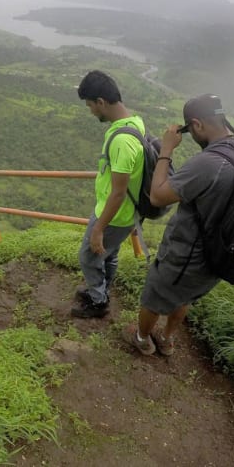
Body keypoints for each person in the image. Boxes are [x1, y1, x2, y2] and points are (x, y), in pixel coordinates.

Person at [122, 94, 234, 356]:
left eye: (190, 129)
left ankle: (142, 339)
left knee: (155, 296)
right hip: (221, 251)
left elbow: (158, 195)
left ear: (197, 124)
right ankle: (168, 339)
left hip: (186, 253)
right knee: (185, 296)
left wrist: (166, 150)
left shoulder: (208, 163)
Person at [72, 70, 145, 318]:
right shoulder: (134, 123)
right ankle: (102, 290)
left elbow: (118, 192)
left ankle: (98, 301)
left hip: (113, 215)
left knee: (88, 256)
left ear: (101, 102)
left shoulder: (121, 142)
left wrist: (99, 228)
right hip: (125, 216)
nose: (91, 110)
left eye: (90, 105)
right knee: (108, 253)